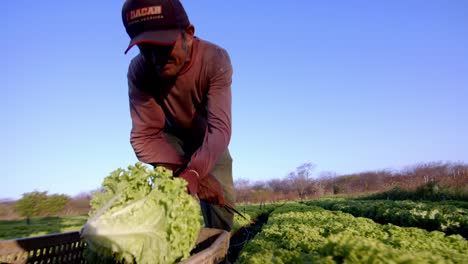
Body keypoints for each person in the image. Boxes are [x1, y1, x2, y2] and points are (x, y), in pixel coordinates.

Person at [121, 0, 235, 232]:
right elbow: (145, 136)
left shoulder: (214, 59)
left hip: (207, 137)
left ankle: (222, 248)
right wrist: (185, 173)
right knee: (172, 200)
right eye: (146, 49)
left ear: (189, 34)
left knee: (220, 196)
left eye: (163, 46)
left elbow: (219, 128)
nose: (155, 58)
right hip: (168, 140)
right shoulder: (139, 71)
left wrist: (196, 171)